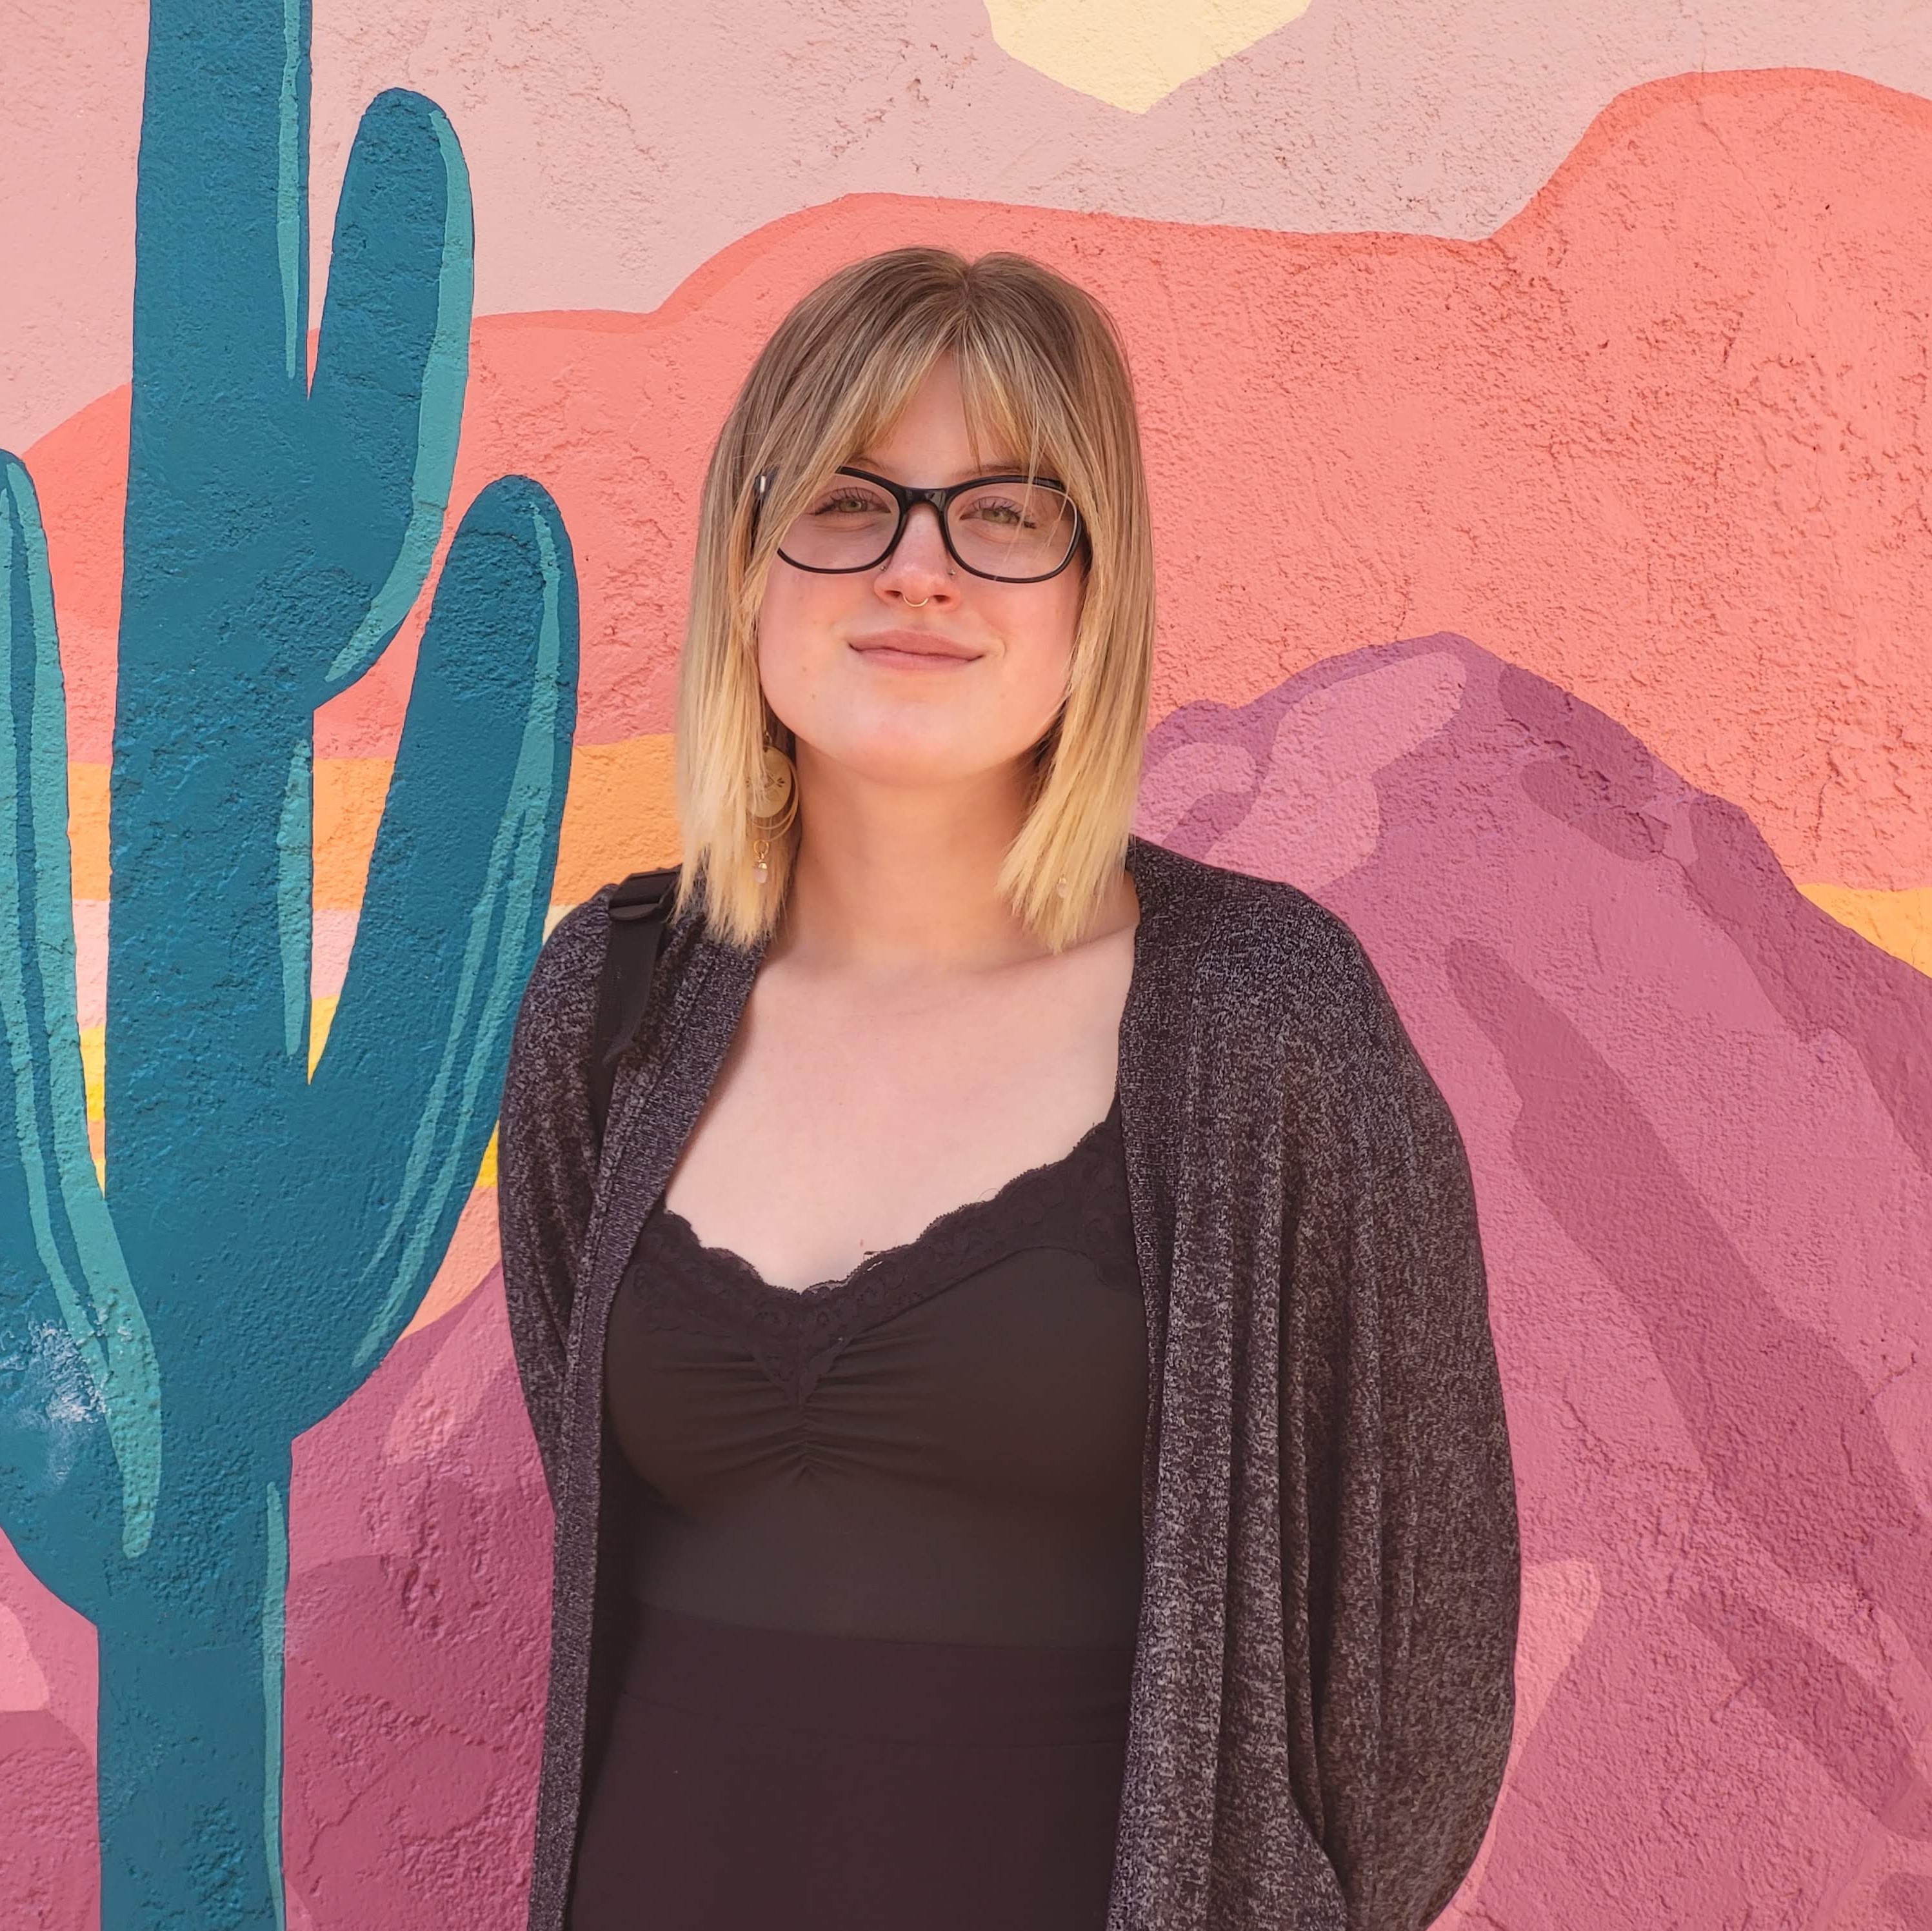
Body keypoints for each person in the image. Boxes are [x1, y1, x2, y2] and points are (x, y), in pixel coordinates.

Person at [498, 245, 1520, 1931]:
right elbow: (585, 1473)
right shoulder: (611, 1006)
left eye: (1006, 513)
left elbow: (1415, 1684)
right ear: (747, 561)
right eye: (847, 500)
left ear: (1092, 592)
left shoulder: (1262, 1022)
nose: (919, 571)